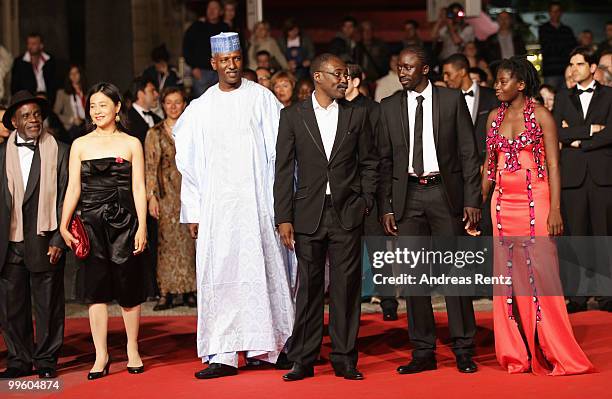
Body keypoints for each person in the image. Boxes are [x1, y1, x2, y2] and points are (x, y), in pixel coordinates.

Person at [174, 32, 294, 379]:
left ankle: (267, 350)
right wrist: (193, 211)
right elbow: (190, 166)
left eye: (237, 59)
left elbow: (281, 157)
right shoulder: (200, 108)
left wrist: (281, 207)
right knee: (221, 275)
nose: (231, 66)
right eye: (225, 61)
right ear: (213, 64)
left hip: (258, 207)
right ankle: (223, 354)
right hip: (218, 211)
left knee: (263, 273)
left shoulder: (262, 99)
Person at [481, 56, 595, 375]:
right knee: (507, 280)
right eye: (496, 81)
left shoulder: (542, 115)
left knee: (543, 276)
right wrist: (477, 202)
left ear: (520, 84)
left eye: (503, 81)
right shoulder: (493, 117)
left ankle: (553, 349)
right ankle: (516, 353)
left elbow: (555, 166)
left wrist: (556, 208)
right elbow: (489, 167)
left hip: (537, 201)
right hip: (502, 206)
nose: (497, 86)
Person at [378, 46, 481, 374]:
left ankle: (464, 347)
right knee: (413, 277)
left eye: (408, 67)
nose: (402, 72)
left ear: (425, 69)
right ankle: (422, 351)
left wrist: (471, 200)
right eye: (399, 66)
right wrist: (387, 206)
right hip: (407, 197)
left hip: (444, 195)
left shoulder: (451, 100)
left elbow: (468, 153)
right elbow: (383, 161)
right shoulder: (389, 106)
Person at [275, 53, 377, 382]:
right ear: (318, 77)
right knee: (309, 288)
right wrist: (283, 216)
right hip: (307, 214)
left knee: (347, 289)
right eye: (337, 74)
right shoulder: (293, 116)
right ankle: (303, 358)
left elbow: (369, 162)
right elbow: (283, 170)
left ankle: (345, 357)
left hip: (347, 212)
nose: (343, 79)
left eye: (346, 74)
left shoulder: (356, 115)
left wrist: (365, 200)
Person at [59, 82, 148, 379]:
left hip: (125, 222)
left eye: (102, 105)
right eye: (92, 106)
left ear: (117, 107)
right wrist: (64, 222)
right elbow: (73, 187)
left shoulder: (132, 142)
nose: (96, 111)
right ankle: (101, 354)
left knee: (128, 287)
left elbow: (139, 187)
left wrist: (143, 225)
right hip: (91, 224)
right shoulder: (80, 144)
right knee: (95, 291)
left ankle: (132, 348)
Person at [0, 91, 68, 379]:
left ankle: (46, 360)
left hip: (45, 239)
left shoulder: (60, 149)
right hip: (9, 241)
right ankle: (18, 360)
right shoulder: (1, 154)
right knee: (11, 306)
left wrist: (59, 239)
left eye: (37, 114)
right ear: (14, 122)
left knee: (48, 304)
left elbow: (66, 196)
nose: (33, 120)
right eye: (26, 116)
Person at [553, 47, 612, 313]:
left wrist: (578, 141)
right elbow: (555, 131)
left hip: (603, 176)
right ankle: (576, 297)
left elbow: (611, 133)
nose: (574, 68)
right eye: (571, 63)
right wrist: (589, 131)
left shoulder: (610, 95)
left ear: (592, 68)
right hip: (573, 177)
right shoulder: (563, 96)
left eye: (579, 63)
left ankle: (606, 295)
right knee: (575, 238)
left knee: (603, 236)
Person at [344, 63, 399, 320]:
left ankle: (388, 302)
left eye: (345, 77)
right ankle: (349, 305)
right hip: (344, 193)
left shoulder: (374, 110)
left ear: (356, 80)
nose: (341, 82)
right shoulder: (334, 109)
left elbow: (383, 153)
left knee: (378, 250)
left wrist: (381, 193)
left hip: (373, 190)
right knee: (347, 254)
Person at [145, 88, 196, 311]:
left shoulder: (192, 128)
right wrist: (151, 197)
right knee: (166, 242)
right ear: (163, 104)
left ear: (184, 104)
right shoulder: (154, 132)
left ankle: (190, 289)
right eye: (168, 102)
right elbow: (149, 167)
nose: (173, 107)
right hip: (166, 194)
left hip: (189, 190)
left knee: (190, 241)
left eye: (177, 102)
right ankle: (165, 291)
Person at [443, 53, 499, 161]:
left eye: (448, 74)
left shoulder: (491, 96)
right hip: (458, 164)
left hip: (487, 162)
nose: (445, 78)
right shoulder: (446, 100)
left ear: (462, 72)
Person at [182, 0, 230, 97]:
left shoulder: (225, 28)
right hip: (201, 73)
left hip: (220, 72)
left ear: (221, 11)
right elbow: (186, 48)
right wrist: (194, 67)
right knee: (202, 104)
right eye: (209, 8)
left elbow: (230, 51)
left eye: (215, 8)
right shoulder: (196, 27)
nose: (211, 11)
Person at [11, 33, 58, 103]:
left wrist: (50, 99)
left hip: (48, 99)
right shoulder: (19, 62)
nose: (30, 46)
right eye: (29, 43)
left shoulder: (50, 60)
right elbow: (14, 86)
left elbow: (54, 84)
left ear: (41, 45)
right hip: (27, 100)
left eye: (34, 44)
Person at [538, 1, 577, 89]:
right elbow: (547, 48)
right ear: (549, 13)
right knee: (551, 97)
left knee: (567, 98)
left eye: (557, 11)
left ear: (561, 12)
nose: (555, 13)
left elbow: (573, 48)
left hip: (566, 70)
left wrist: (558, 46)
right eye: (553, 11)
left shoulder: (567, 30)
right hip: (551, 71)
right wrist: (564, 46)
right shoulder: (544, 29)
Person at [54, 65, 87, 142]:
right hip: (71, 128)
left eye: (76, 73)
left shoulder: (87, 92)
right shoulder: (62, 93)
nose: (74, 76)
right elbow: (55, 113)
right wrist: (71, 120)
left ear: (81, 74)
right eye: (71, 74)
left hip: (86, 125)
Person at [128, 77, 161, 145]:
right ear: (140, 94)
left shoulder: (158, 120)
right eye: (152, 91)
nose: (157, 94)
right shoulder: (126, 119)